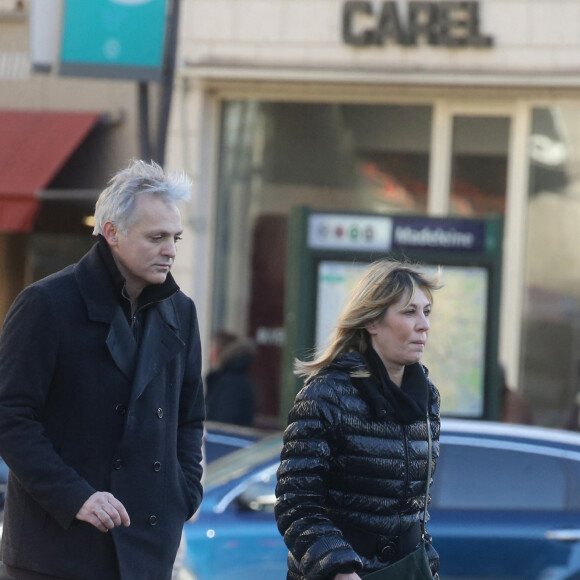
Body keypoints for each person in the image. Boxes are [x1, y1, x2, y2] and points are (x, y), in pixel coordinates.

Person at [0, 159, 205, 580]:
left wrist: (183, 492)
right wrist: (74, 496)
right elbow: (10, 416)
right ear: (112, 232)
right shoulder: (47, 304)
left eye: (175, 237)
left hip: (147, 547)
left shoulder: (181, 311)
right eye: (157, 237)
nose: (170, 249)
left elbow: (190, 416)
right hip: (57, 550)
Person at [275, 259, 441, 580]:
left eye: (426, 312)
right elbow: (296, 503)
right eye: (409, 312)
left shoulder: (427, 396)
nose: (424, 324)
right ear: (372, 322)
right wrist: (339, 568)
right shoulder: (326, 394)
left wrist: (427, 563)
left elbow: (413, 510)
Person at [205, 331, 256, 426]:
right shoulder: (229, 380)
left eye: (213, 348)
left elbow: (223, 423)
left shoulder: (230, 383)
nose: (209, 354)